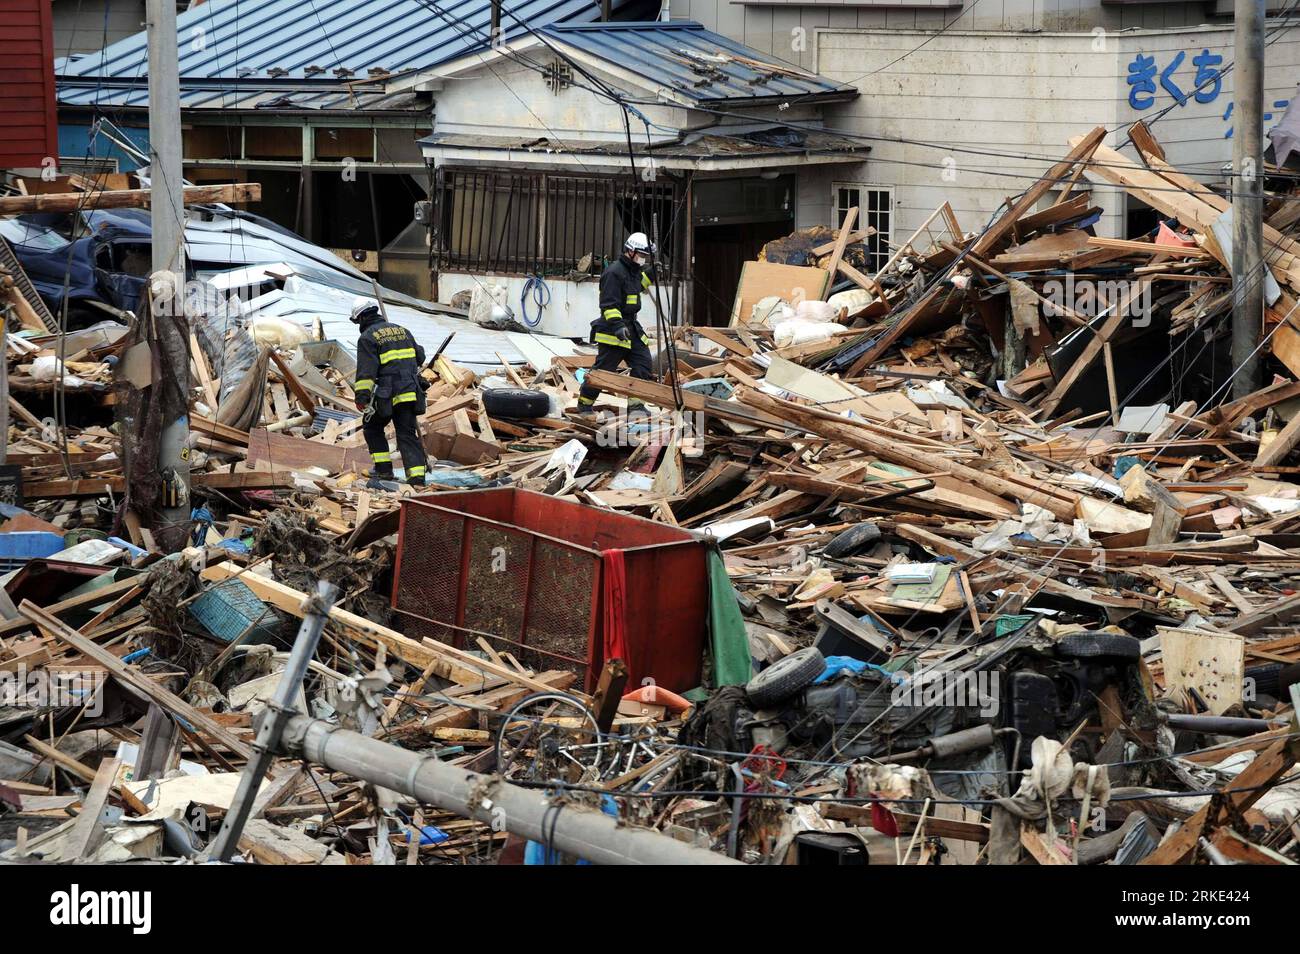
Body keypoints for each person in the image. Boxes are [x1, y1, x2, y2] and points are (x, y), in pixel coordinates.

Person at [574, 232, 656, 417]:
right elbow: (609, 304)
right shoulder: (613, 272)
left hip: (632, 329)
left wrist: (651, 274)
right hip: (613, 331)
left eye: (645, 256)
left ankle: (636, 407)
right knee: (604, 371)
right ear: (630, 250)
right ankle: (584, 404)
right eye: (642, 255)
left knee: (643, 364)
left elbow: (637, 286)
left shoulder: (633, 271)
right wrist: (618, 326)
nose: (643, 259)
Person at [350, 298, 429, 487]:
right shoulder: (402, 330)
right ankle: (417, 478)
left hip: (387, 395)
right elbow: (420, 356)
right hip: (411, 392)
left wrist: (362, 397)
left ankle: (384, 470)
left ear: (360, 318)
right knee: (407, 433)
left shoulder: (368, 337)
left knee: (372, 428)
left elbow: (366, 373)